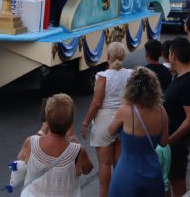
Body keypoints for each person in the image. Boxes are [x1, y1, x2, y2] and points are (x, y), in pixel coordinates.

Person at [107, 67, 169, 197]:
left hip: (128, 173)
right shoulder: (162, 111)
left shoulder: (126, 110)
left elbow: (110, 131)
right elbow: (164, 142)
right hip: (153, 172)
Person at [15, 94, 92, 197]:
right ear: (70, 123)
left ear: (47, 118)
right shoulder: (78, 151)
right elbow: (88, 169)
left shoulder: (31, 142)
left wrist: (42, 130)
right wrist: (73, 138)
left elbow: (21, 161)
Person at [81, 42, 132, 197]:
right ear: (122, 56)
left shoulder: (103, 77)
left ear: (108, 57)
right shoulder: (130, 74)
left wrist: (85, 122)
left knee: (104, 164)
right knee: (119, 165)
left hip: (104, 122)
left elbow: (96, 103)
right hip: (124, 121)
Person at [164, 37, 190, 197]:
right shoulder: (180, 76)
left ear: (174, 56)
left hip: (176, 142)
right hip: (171, 139)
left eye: (170, 54)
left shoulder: (188, 81)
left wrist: (171, 139)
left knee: (177, 183)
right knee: (172, 180)